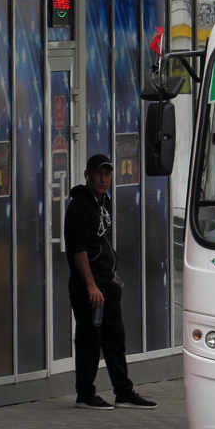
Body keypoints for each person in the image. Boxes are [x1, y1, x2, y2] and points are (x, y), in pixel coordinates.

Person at [65, 153, 156, 410]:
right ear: (88, 175)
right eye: (98, 173)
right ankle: (85, 394)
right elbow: (78, 248)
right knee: (89, 339)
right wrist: (91, 284)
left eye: (107, 174)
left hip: (107, 281)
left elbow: (102, 242)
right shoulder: (79, 207)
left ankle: (124, 392)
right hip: (88, 285)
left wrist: (111, 272)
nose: (103, 179)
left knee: (115, 338)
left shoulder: (104, 202)